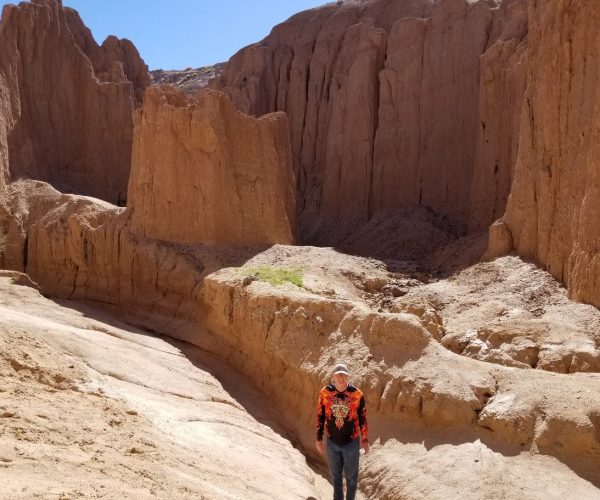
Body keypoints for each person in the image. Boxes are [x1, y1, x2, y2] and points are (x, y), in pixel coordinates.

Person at [315, 363, 369, 500]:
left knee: (351, 478)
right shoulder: (325, 393)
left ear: (348, 377)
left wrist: (365, 440)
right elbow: (320, 415)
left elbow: (362, 417)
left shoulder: (357, 395)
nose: (341, 377)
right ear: (333, 377)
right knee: (335, 476)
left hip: (351, 442)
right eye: (338, 374)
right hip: (332, 441)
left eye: (343, 375)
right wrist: (319, 438)